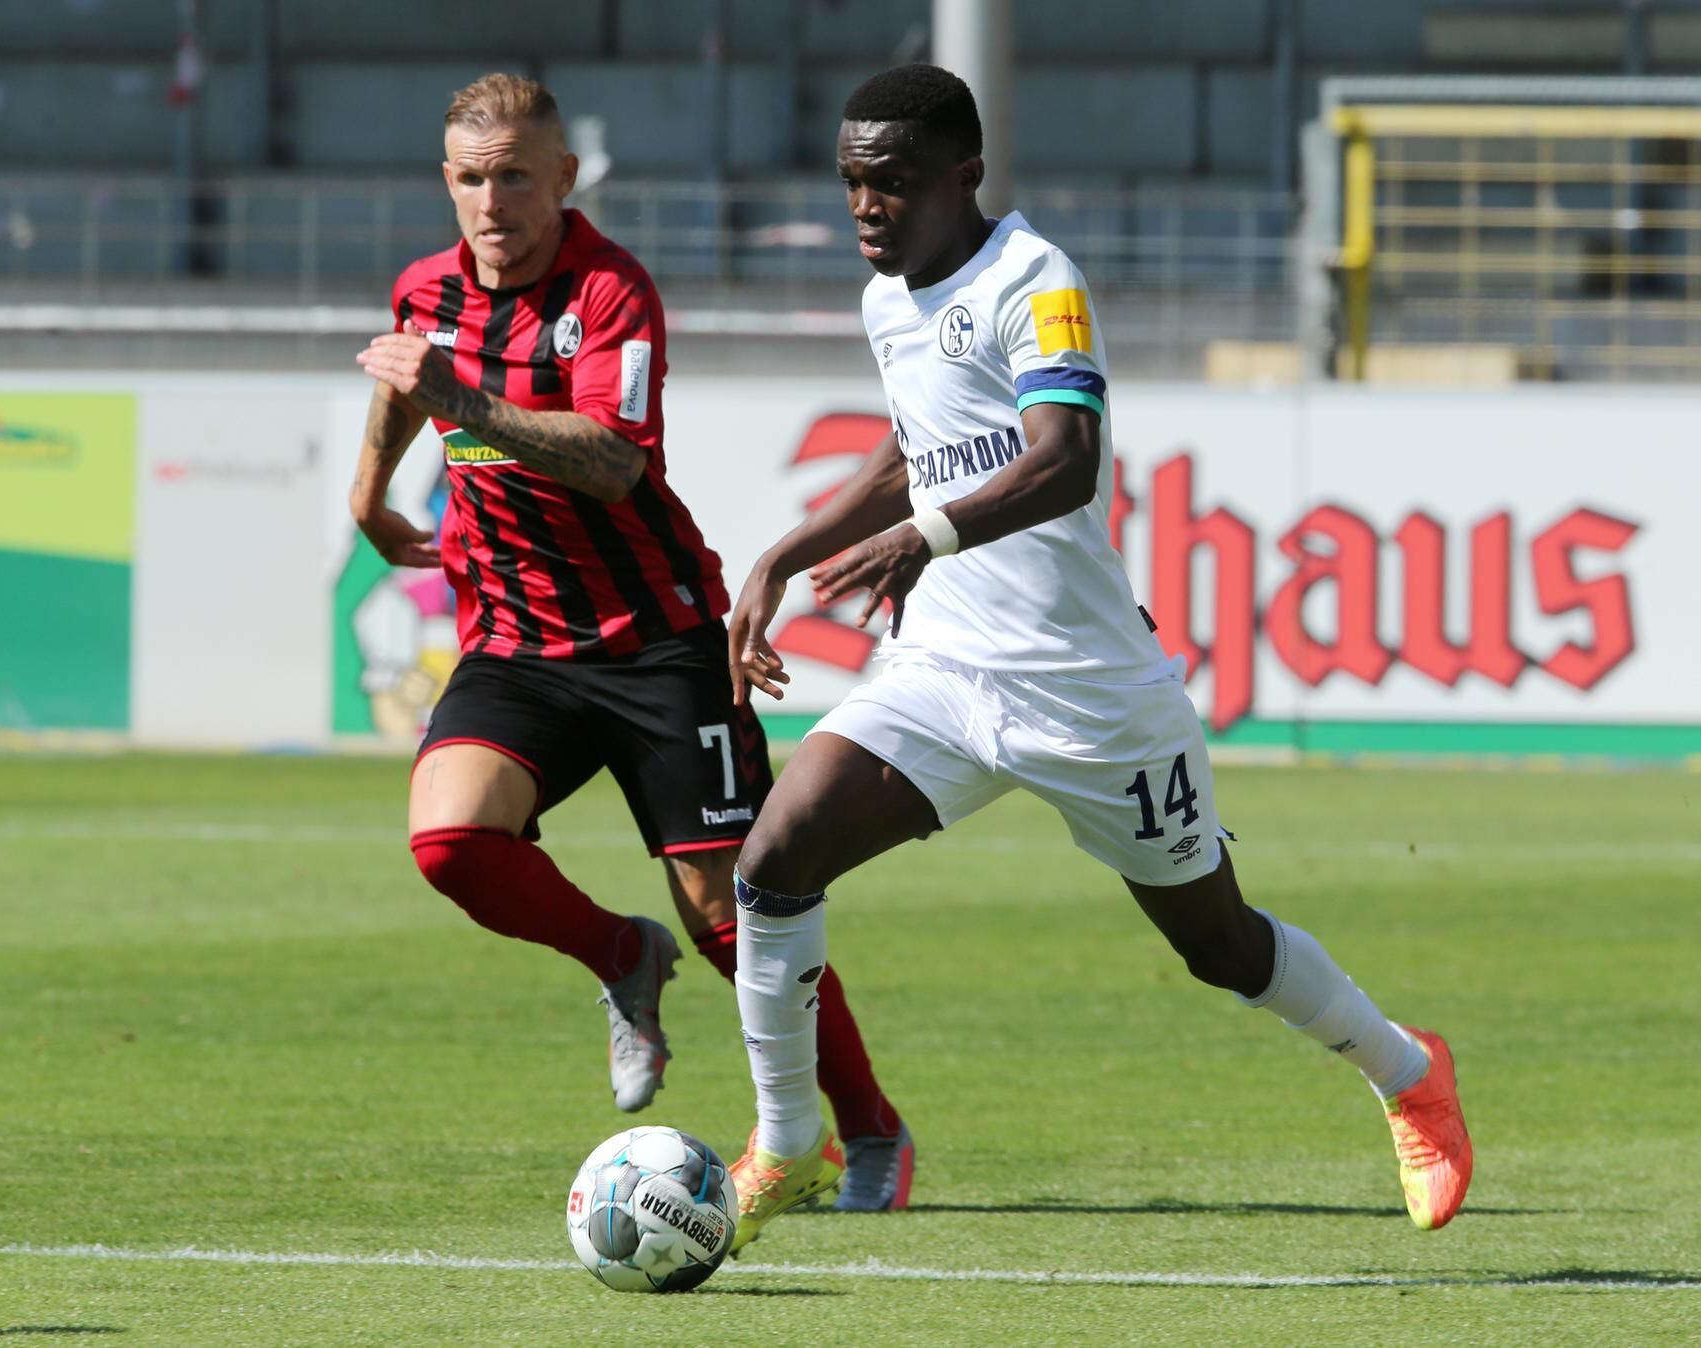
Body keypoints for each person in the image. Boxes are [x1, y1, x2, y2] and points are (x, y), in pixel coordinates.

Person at [720, 64, 1472, 1252]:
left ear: (963, 176)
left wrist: (921, 535)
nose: (866, 206)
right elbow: (916, 448)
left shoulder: (1035, 279)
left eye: (894, 183)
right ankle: (787, 1135)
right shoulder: (886, 298)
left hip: (1090, 696)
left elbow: (1064, 455)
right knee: (774, 853)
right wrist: (783, 553)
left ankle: (1406, 1068)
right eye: (853, 182)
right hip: (947, 672)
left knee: (1220, 947)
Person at [351, 73, 912, 1210]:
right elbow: (408, 367)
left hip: (657, 641)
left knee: (735, 916)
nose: (492, 199)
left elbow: (614, 460)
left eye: (516, 174)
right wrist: (370, 495)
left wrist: (463, 402)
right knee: (449, 842)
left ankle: (872, 1133)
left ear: (563, 176)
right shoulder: (426, 288)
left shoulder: (610, 292)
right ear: (446, 183)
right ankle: (618, 953)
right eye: (470, 177)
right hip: (515, 642)